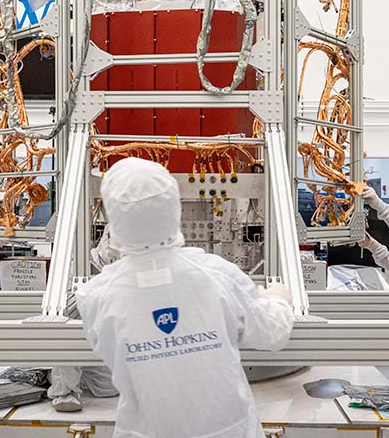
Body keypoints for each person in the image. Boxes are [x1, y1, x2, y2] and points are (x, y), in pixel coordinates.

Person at [76, 158, 295, 438]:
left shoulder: (96, 295)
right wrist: (277, 299)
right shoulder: (216, 274)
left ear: (113, 216)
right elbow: (273, 334)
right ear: (174, 206)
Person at [49, 227, 119, 412]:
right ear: (107, 238)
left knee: (107, 389)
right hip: (76, 329)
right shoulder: (79, 263)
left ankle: (80, 376)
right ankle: (63, 391)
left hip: (107, 336)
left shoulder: (124, 266)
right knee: (66, 338)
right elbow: (64, 305)